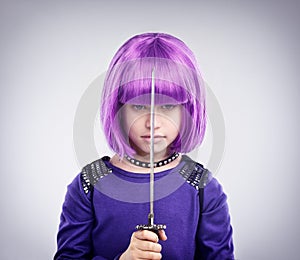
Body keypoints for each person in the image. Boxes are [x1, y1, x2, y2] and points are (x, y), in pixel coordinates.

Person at [54, 32, 234, 260]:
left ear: (187, 111)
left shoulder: (203, 188)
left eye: (168, 106)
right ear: (118, 110)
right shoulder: (89, 185)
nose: (153, 123)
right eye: (138, 107)